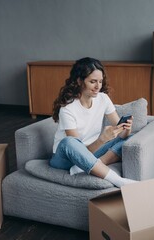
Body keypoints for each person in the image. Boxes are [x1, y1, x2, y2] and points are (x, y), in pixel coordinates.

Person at [49, 57, 137, 188]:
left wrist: (126, 128)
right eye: (93, 82)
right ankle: (119, 181)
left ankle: (85, 166)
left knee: (130, 140)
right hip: (65, 157)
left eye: (100, 81)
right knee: (69, 142)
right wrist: (102, 140)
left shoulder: (103, 98)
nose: (98, 87)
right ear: (79, 81)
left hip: (91, 151)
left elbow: (121, 135)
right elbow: (77, 148)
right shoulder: (67, 109)